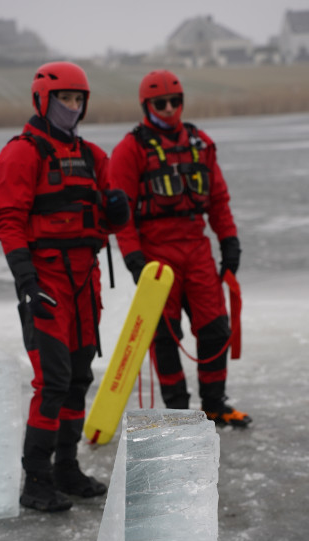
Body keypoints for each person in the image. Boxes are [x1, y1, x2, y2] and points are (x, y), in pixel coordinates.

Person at [0, 61, 130, 513]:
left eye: (78, 100)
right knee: (51, 382)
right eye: (64, 100)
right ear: (42, 101)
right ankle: (37, 479)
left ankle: (67, 469)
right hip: (46, 281)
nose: (72, 107)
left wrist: (117, 209)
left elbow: (109, 219)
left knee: (76, 379)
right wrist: (26, 280)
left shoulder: (94, 157)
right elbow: (9, 222)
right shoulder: (22, 153)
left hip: (85, 280)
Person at [110, 69, 251, 428]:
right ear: (147, 105)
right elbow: (121, 211)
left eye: (176, 101)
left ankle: (215, 404)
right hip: (157, 254)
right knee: (165, 335)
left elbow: (218, 200)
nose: (170, 108)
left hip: (197, 248)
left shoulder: (200, 143)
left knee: (216, 327)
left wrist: (229, 241)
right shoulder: (131, 149)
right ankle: (177, 411)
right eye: (161, 103)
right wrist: (132, 257)